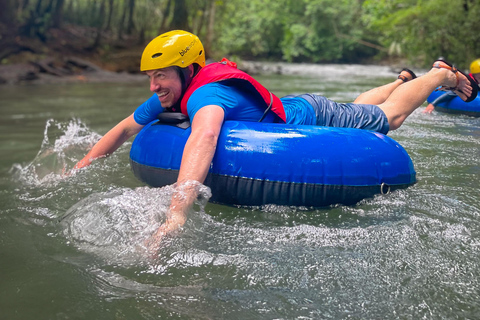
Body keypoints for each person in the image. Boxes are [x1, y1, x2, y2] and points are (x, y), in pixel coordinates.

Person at [73, 30, 478, 251]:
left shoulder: (203, 95)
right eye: (151, 75)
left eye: (160, 74)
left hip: (308, 116)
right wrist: (81, 165)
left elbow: (206, 134)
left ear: (188, 69)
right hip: (293, 107)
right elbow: (125, 127)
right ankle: (401, 80)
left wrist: (177, 211)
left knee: (389, 119)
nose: (153, 84)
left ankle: (440, 74)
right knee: (358, 111)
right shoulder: (171, 91)